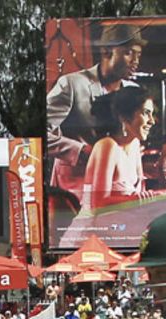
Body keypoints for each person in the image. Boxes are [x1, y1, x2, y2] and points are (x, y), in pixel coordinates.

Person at [46, 23, 145, 205]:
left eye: (138, 54)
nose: (136, 61)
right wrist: (80, 151)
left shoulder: (134, 91)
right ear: (107, 51)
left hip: (120, 188)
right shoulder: (71, 85)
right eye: (129, 52)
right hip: (74, 190)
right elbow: (41, 135)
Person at [82, 85, 156, 211]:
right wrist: (138, 200)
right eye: (146, 113)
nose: (152, 121)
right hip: (95, 227)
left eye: (152, 114)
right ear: (124, 117)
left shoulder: (135, 143)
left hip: (125, 222)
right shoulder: (107, 146)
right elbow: (98, 205)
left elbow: (141, 192)